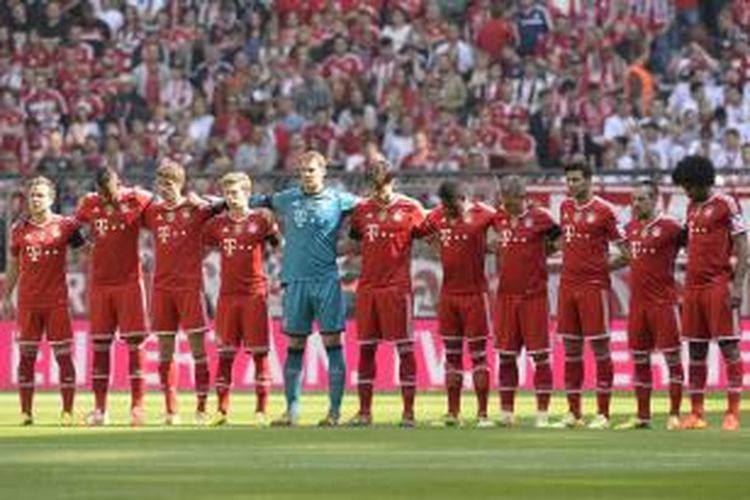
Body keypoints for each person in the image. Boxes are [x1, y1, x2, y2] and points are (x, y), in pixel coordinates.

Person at [253, 151, 358, 426]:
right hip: (295, 280)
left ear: (323, 171)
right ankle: (292, 411)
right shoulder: (288, 198)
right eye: (302, 171)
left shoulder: (339, 199)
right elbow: (258, 202)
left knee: (333, 343)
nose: (306, 175)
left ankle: (334, 412)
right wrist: (220, 204)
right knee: (295, 344)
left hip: (326, 281)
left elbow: (369, 210)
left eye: (311, 170)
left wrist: (354, 242)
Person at [142, 159, 224, 425]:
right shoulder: (152, 212)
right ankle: (171, 410)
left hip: (190, 288)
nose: (163, 188)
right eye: (160, 183)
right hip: (162, 288)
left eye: (169, 183)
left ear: (180, 184)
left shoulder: (195, 210)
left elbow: (224, 203)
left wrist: (201, 199)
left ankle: (201, 408)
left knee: (198, 350)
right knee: (165, 352)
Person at [347, 160, 425, 427]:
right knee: (366, 349)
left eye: (382, 186)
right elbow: (355, 241)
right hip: (368, 288)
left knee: (404, 348)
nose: (378, 192)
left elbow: (430, 235)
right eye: (373, 187)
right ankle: (365, 412)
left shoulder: (411, 208)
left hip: (397, 289)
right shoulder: (362, 211)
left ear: (392, 182)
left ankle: (408, 412)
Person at [2, 176, 86, 426]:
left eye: (40, 195)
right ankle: (26, 412)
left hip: (56, 302)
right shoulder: (19, 229)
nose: (35, 199)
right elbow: (14, 265)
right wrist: (6, 296)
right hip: (28, 302)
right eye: (32, 195)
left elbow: (86, 251)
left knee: (63, 356)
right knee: (26, 357)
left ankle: (67, 411)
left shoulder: (66, 226)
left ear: (51, 198)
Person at [672, 155, 748, 431]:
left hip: (718, 285)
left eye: (690, 186)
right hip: (692, 288)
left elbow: (743, 245)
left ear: (703, 181)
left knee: (728, 346)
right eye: (684, 187)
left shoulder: (725, 203)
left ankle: (732, 413)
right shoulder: (691, 207)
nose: (687, 192)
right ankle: (696, 413)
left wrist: (737, 285)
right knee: (696, 349)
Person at [552, 161, 627, 429]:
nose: (571, 185)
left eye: (576, 180)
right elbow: (565, 241)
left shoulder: (606, 211)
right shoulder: (565, 207)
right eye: (568, 180)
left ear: (588, 181)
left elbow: (627, 252)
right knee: (571, 350)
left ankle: (603, 414)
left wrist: (599, 267)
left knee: (600, 349)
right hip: (567, 287)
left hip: (594, 288)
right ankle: (574, 413)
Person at [75, 168, 153, 426]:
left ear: (120, 184)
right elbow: (73, 227)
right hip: (100, 284)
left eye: (109, 191)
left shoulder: (136, 199)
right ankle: (100, 410)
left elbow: (161, 207)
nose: (105, 196)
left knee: (134, 345)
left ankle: (137, 407)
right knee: (100, 347)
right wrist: (86, 246)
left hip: (130, 283)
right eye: (101, 191)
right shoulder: (90, 203)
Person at [416, 181, 496, 427]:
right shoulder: (438, 215)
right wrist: (434, 242)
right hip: (449, 295)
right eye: (445, 208)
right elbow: (417, 230)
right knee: (451, 357)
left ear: (464, 198)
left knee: (478, 357)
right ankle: (453, 413)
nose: (448, 213)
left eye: (452, 208)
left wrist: (491, 246)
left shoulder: (485, 214)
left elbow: (506, 228)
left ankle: (483, 415)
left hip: (475, 295)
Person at [203, 172, 279, 426]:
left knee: (259, 355)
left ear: (247, 193)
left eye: (235, 192)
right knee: (225, 355)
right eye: (227, 193)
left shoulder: (263, 219)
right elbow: (200, 245)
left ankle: (261, 410)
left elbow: (279, 246)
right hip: (227, 296)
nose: (231, 198)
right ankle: (221, 411)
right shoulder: (216, 224)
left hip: (254, 295)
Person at [614, 180, 685, 430]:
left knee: (672, 359)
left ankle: (674, 415)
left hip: (663, 304)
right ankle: (643, 416)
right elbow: (625, 258)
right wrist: (598, 268)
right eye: (633, 199)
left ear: (655, 199)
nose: (636, 204)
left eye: (642, 199)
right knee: (640, 360)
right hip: (638, 305)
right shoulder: (630, 228)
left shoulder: (671, 227)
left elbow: (696, 249)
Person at [494, 175, 560, 428]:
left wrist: (542, 252)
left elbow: (560, 239)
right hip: (506, 298)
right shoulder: (498, 217)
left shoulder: (541, 217)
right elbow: (488, 233)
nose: (505, 204)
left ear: (521, 197)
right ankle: (507, 413)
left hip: (534, 298)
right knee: (506, 357)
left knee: (540, 357)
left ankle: (542, 414)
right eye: (502, 198)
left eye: (509, 200)